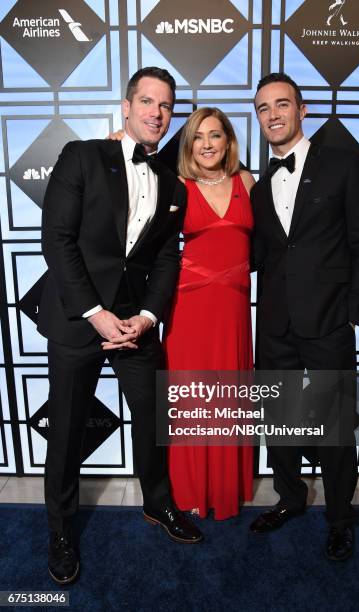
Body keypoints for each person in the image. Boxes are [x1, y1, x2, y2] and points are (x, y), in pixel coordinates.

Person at [39, 66, 203, 585]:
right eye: (148, 102)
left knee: (154, 419)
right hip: (80, 320)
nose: (158, 113)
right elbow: (57, 238)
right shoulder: (82, 156)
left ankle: (158, 504)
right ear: (127, 107)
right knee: (66, 432)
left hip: (135, 324)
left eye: (167, 106)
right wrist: (96, 313)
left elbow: (166, 261)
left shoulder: (172, 184)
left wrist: (147, 316)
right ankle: (61, 531)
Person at [249, 73, 359, 560]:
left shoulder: (342, 166)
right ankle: (290, 497)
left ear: (302, 111)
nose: (274, 115)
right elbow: (260, 252)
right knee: (279, 417)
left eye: (282, 104)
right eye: (264, 108)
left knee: (333, 423)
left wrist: (354, 312)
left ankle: (340, 517)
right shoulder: (259, 187)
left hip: (328, 320)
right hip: (276, 323)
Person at [164, 108, 255, 519]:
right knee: (193, 397)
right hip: (190, 308)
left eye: (215, 135)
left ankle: (224, 489)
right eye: (198, 137)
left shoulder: (247, 182)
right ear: (188, 145)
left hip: (233, 307)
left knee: (229, 394)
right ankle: (191, 491)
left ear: (228, 141)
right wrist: (114, 144)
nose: (206, 144)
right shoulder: (178, 185)